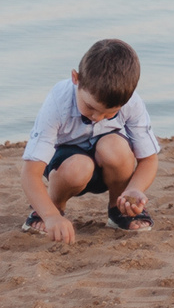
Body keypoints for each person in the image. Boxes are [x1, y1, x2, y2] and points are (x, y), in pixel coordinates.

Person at [21, 38, 163, 240]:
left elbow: (148, 158)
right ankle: (52, 207)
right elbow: (30, 173)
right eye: (90, 107)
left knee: (115, 147)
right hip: (65, 164)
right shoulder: (57, 102)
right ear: (75, 78)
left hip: (109, 163)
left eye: (109, 114)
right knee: (79, 166)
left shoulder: (132, 103)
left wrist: (134, 189)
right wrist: (51, 216)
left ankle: (118, 209)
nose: (97, 118)